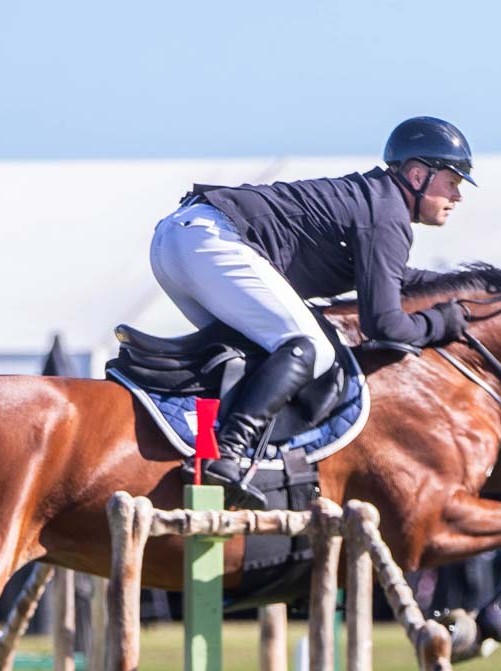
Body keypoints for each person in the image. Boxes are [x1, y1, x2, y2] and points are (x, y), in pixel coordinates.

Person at [148, 116, 477, 504]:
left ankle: (209, 447)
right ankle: (229, 454)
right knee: (310, 346)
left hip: (175, 242)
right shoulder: (386, 216)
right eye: (452, 183)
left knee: (252, 355)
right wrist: (443, 321)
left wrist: (466, 283)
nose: (457, 197)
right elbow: (385, 325)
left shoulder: (375, 202)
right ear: (419, 174)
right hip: (210, 241)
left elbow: (398, 275)